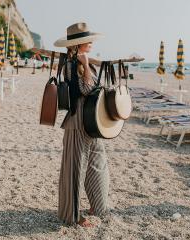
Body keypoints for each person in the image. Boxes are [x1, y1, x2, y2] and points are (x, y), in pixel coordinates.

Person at [54, 22, 109, 227]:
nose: (92, 43)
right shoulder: (71, 64)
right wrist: (86, 66)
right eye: (88, 40)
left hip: (91, 122)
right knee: (75, 170)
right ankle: (73, 216)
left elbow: (95, 87)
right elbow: (86, 90)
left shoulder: (82, 60)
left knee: (97, 165)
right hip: (77, 123)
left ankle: (98, 205)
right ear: (78, 44)